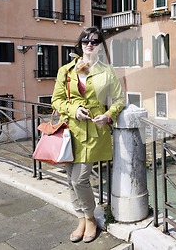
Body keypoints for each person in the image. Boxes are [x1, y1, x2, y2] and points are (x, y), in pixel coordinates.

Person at [51, 27, 125, 243]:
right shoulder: (66, 70)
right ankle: (81, 218)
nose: (90, 44)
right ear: (80, 44)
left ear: (100, 45)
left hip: (94, 131)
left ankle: (90, 218)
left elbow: (119, 100)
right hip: (69, 131)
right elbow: (56, 100)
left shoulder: (108, 71)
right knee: (70, 178)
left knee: (80, 179)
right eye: (85, 40)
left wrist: (109, 115)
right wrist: (74, 110)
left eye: (94, 41)